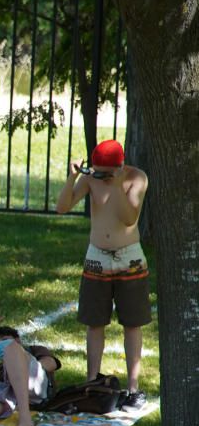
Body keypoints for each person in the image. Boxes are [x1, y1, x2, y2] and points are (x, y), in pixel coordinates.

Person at [56, 139, 150, 411]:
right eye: (97, 172)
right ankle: (92, 381)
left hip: (128, 257)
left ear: (120, 167)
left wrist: (117, 182)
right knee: (94, 322)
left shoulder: (137, 178)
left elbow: (128, 217)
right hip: (97, 257)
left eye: (105, 173)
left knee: (132, 323)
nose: (100, 178)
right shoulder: (92, 179)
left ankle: (133, 388)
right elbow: (62, 207)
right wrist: (73, 177)